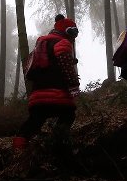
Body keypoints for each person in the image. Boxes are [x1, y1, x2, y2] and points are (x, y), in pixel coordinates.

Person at [14, 15, 81, 153]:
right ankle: (58, 144)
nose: (75, 37)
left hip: (37, 95)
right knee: (68, 115)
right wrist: (74, 86)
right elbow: (66, 66)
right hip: (58, 94)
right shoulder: (62, 42)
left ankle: (18, 149)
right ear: (68, 31)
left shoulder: (41, 44)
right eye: (74, 32)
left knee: (35, 121)